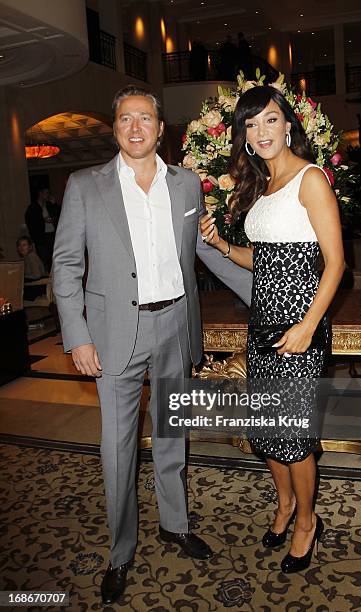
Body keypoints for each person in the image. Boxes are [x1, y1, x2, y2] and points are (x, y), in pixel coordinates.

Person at [52, 85, 252, 605]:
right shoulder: (84, 186)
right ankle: (120, 552)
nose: (136, 127)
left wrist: (270, 294)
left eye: (145, 118)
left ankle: (175, 525)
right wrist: (77, 337)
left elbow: (204, 254)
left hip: (174, 327)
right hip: (115, 333)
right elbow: (67, 268)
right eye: (125, 119)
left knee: (171, 438)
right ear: (114, 128)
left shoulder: (187, 186)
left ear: (162, 129)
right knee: (117, 450)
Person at [200, 85, 345, 573]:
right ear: (243, 135)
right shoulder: (262, 189)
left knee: (293, 437)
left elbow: (335, 263)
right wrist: (222, 244)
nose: (260, 132)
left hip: (298, 329)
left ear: (288, 124)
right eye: (250, 124)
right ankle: (283, 506)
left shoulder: (311, 179)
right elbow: (263, 259)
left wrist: (308, 326)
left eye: (269, 120)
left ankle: (307, 522)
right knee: (267, 431)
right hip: (262, 323)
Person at [25, 187, 60, 272]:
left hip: (52, 235)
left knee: (55, 259)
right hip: (41, 238)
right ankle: (45, 281)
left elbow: (60, 214)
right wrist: (43, 220)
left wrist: (54, 204)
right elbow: (31, 222)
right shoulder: (33, 207)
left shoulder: (49, 205)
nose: (48, 195)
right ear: (40, 193)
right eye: (46, 193)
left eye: (49, 193)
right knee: (44, 260)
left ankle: (54, 281)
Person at [16, 235, 48, 301]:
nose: (21, 247)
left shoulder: (31, 256)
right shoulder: (26, 258)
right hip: (36, 285)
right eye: (19, 245)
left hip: (39, 286)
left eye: (24, 245)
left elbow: (37, 275)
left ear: (30, 247)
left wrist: (22, 277)